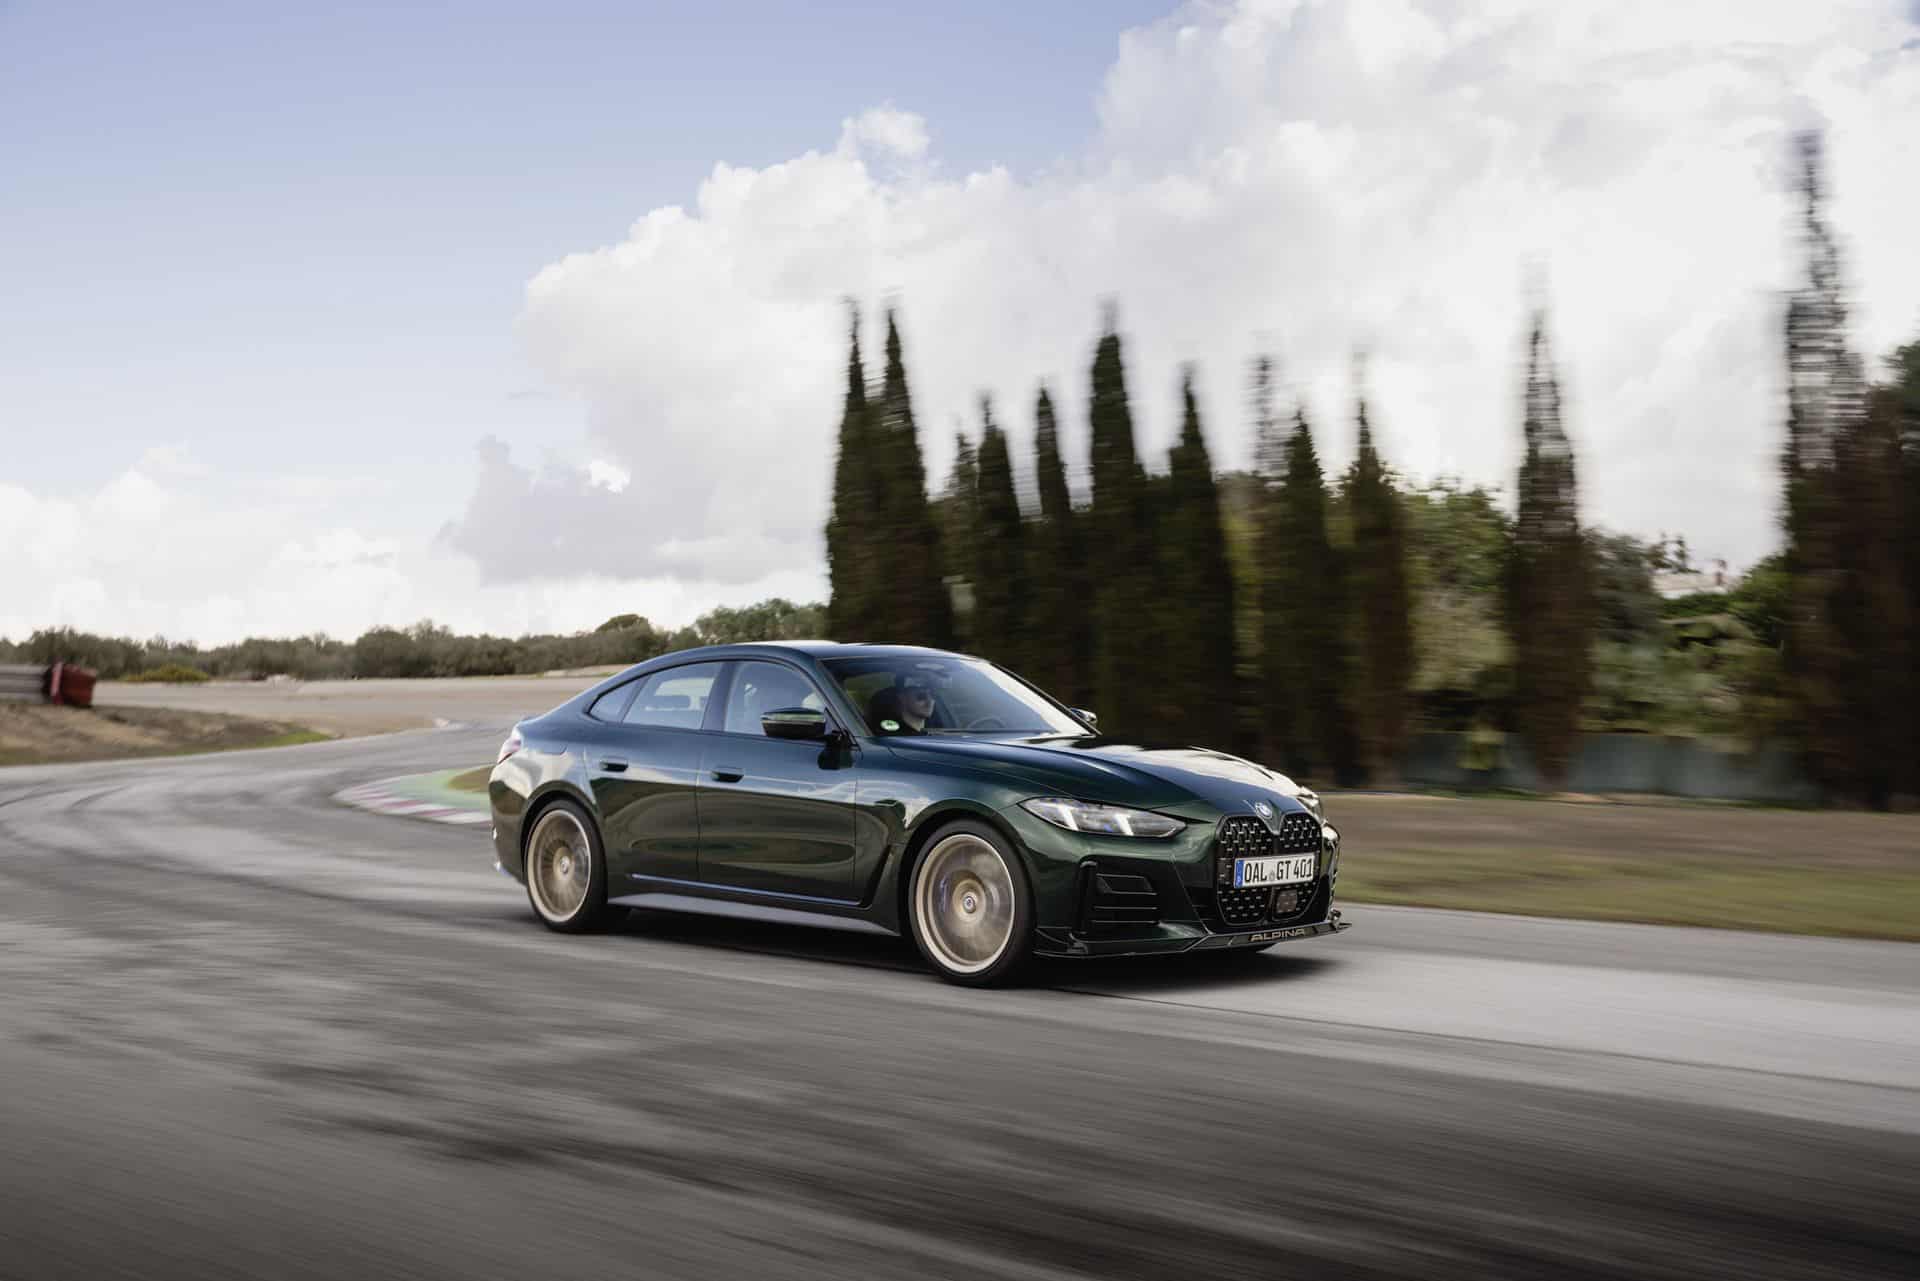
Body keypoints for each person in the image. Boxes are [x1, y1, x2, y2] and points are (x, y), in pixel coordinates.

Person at [867, 672, 937, 735]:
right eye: (921, 697)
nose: (930, 702)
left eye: (933, 695)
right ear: (902, 697)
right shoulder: (890, 736)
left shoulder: (936, 731)